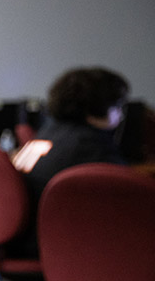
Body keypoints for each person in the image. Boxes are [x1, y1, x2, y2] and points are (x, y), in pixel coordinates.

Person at [23, 66, 129, 207]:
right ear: (96, 106)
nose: (121, 114)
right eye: (117, 105)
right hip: (67, 219)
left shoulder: (49, 131)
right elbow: (129, 191)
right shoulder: (90, 145)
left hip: (42, 217)